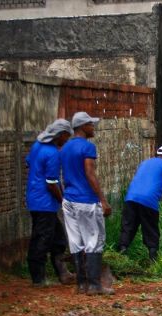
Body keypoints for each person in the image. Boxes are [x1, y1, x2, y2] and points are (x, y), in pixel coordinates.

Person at [61, 111, 114, 295]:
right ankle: (94, 285)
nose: (93, 127)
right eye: (91, 124)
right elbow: (90, 174)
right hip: (86, 200)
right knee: (94, 240)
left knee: (76, 242)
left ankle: (81, 284)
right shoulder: (87, 147)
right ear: (83, 127)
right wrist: (103, 200)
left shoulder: (66, 147)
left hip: (68, 199)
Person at [117, 145, 162, 261]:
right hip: (148, 203)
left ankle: (120, 254)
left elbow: (148, 190)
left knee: (128, 227)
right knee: (151, 230)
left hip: (130, 199)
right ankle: (153, 261)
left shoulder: (145, 163)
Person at [25, 119, 75, 287]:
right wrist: (63, 200)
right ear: (60, 135)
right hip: (44, 202)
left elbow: (29, 163)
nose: (66, 141)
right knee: (42, 239)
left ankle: (62, 273)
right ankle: (38, 278)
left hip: (35, 199)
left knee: (58, 238)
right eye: (66, 137)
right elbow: (51, 183)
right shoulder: (53, 153)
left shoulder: (37, 146)